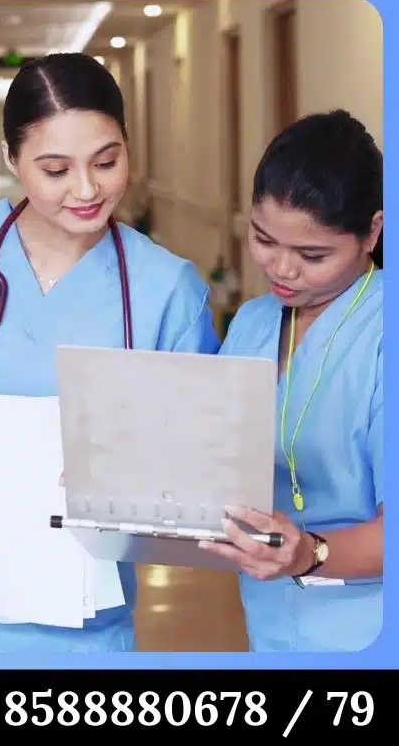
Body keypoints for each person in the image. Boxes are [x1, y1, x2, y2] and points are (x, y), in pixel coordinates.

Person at [0, 52, 222, 653]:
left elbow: (195, 450)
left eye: (106, 161)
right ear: (11, 160)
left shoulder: (167, 288)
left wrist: (137, 480)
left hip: (90, 614)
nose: (87, 190)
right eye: (55, 169)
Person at [201, 110, 383, 652]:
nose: (282, 270)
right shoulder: (255, 323)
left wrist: (311, 553)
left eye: (312, 255)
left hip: (367, 630)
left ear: (372, 231)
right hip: (272, 621)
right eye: (263, 240)